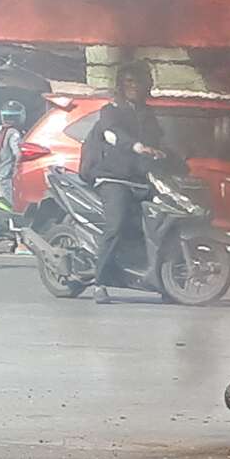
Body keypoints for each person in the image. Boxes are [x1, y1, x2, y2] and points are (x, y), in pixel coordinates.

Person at [81, 62, 165, 304]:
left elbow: (158, 141)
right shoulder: (111, 111)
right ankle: (100, 282)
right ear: (121, 85)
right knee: (115, 226)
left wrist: (169, 155)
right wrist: (137, 147)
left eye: (138, 82)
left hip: (139, 179)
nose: (134, 87)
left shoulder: (147, 114)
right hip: (112, 177)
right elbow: (112, 135)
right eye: (129, 82)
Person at [0, 100, 26, 203]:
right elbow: (18, 154)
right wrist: (17, 170)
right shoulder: (14, 133)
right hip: (7, 180)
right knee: (17, 207)